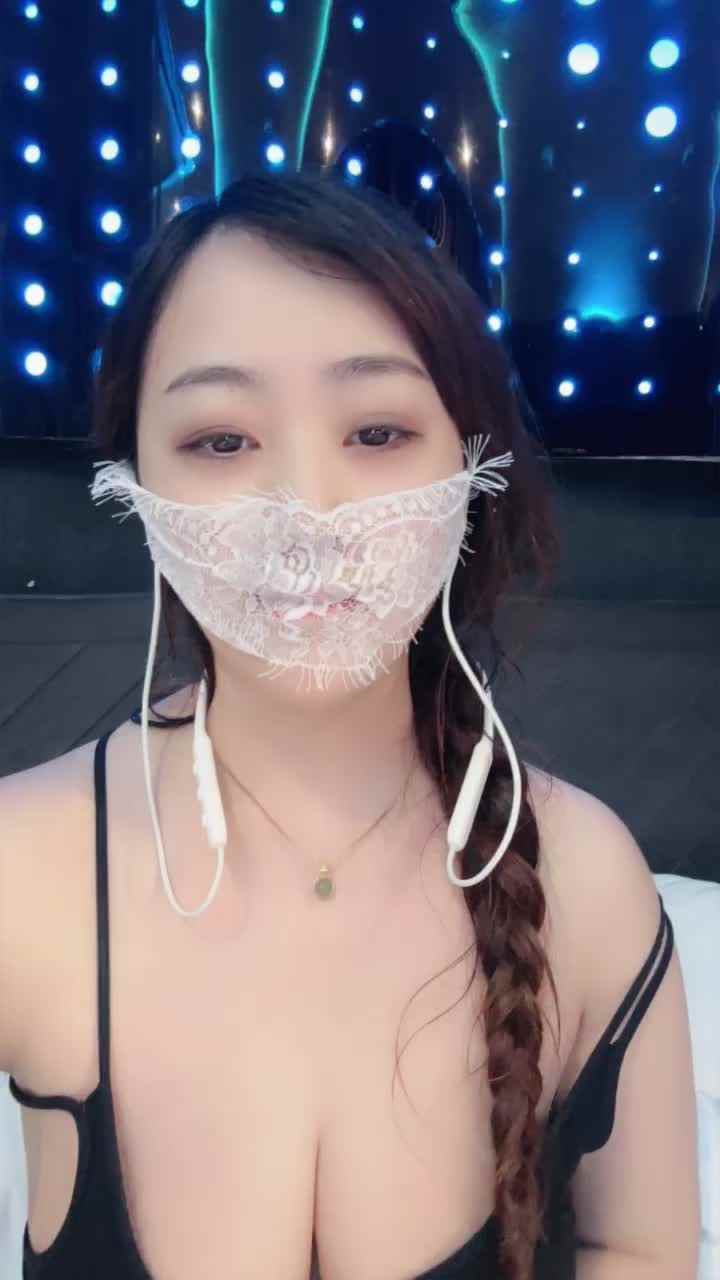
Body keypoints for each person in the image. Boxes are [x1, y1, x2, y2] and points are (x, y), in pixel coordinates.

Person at [2, 170, 699, 1280]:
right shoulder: (20, 865)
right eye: (221, 441)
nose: (308, 512)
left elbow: (640, 1245)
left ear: (469, 466)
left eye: (377, 430)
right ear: (134, 481)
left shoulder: (585, 876)